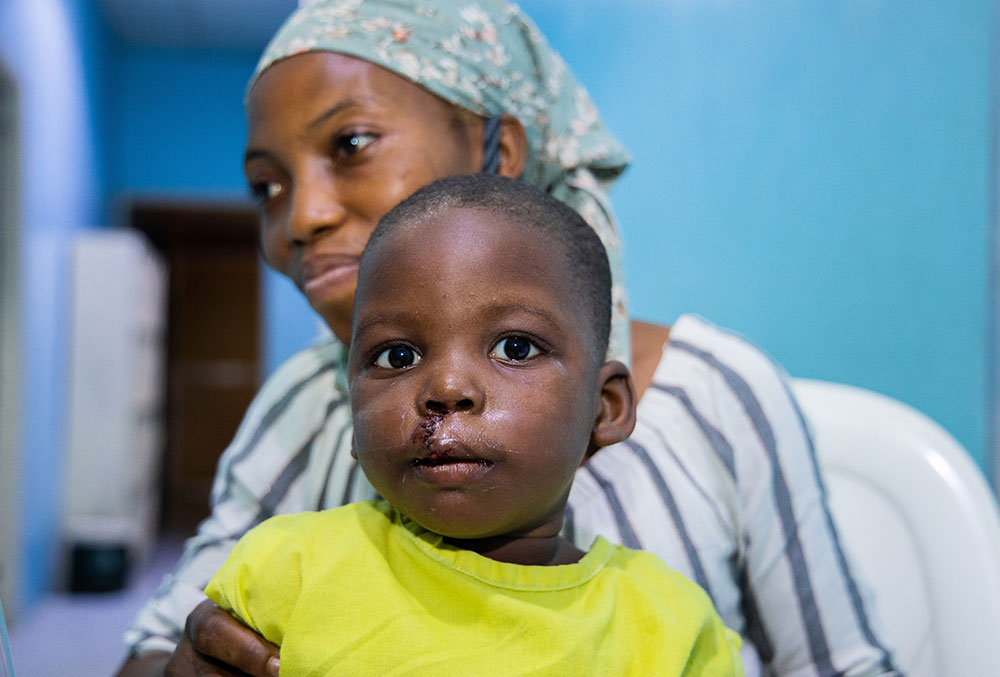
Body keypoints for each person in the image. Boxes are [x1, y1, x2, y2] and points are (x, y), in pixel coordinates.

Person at [118, 1, 900, 675]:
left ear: (503, 150)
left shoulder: (719, 396)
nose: (300, 216)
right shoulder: (303, 405)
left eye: (350, 143)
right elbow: (153, 648)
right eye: (266, 186)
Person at [202, 173, 745, 675]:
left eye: (515, 347)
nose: (444, 389)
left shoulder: (672, 627)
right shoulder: (283, 571)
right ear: (352, 414)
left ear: (604, 408)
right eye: (397, 357)